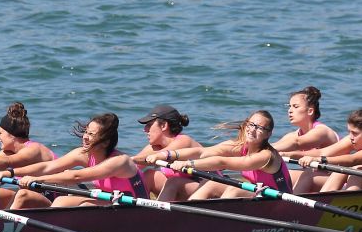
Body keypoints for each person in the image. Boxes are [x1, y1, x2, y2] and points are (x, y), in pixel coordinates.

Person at [8, 112, 145, 209]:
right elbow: (48, 166)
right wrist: (11, 173)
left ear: (105, 142)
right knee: (61, 201)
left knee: (86, 206)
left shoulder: (120, 161)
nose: (85, 137)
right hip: (110, 202)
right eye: (86, 131)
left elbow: (76, 176)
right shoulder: (84, 153)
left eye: (91, 134)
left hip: (134, 209)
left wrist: (38, 180)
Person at [156, 110, 291, 200]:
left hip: (278, 201)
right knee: (211, 184)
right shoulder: (242, 146)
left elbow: (222, 163)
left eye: (260, 128)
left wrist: (187, 164)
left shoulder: (266, 156)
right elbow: (203, 152)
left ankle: (214, 225)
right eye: (251, 124)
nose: (252, 130)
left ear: (268, 134)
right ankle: (185, 217)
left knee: (234, 190)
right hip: (260, 195)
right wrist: (167, 155)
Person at [271, 86, 340, 186]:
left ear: (310, 111)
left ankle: (286, 201)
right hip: (314, 179)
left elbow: (297, 143)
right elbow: (274, 146)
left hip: (335, 180)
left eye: (295, 106)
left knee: (289, 175)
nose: (289, 110)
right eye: (289, 106)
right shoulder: (294, 135)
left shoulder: (322, 131)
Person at [130, 105, 202, 200]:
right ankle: (130, 209)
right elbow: (132, 167)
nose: (145, 129)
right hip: (183, 190)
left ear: (164, 126)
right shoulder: (155, 147)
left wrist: (132, 159)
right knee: (148, 175)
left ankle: (153, 213)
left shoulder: (184, 141)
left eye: (149, 125)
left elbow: (158, 156)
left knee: (172, 181)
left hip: (206, 188)